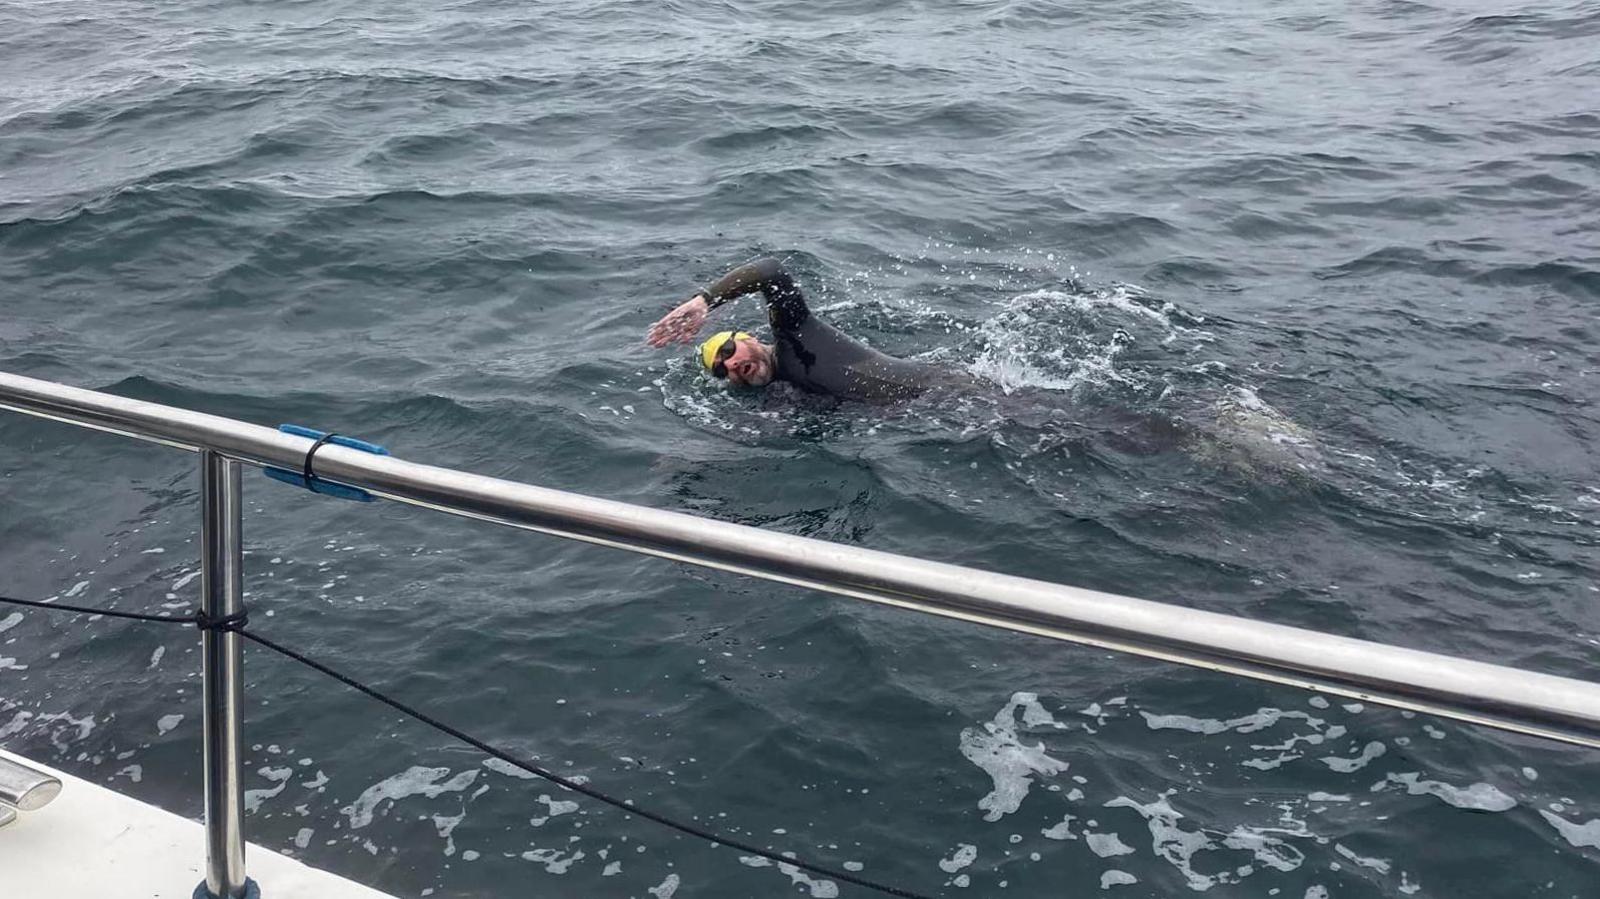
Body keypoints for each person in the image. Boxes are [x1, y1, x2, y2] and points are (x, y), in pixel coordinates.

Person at [646, 256, 948, 402]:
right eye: (721, 371)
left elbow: (771, 272)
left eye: (727, 350)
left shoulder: (797, 337)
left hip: (947, 393)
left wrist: (705, 301)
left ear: (748, 337)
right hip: (923, 418)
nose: (730, 363)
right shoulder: (780, 395)